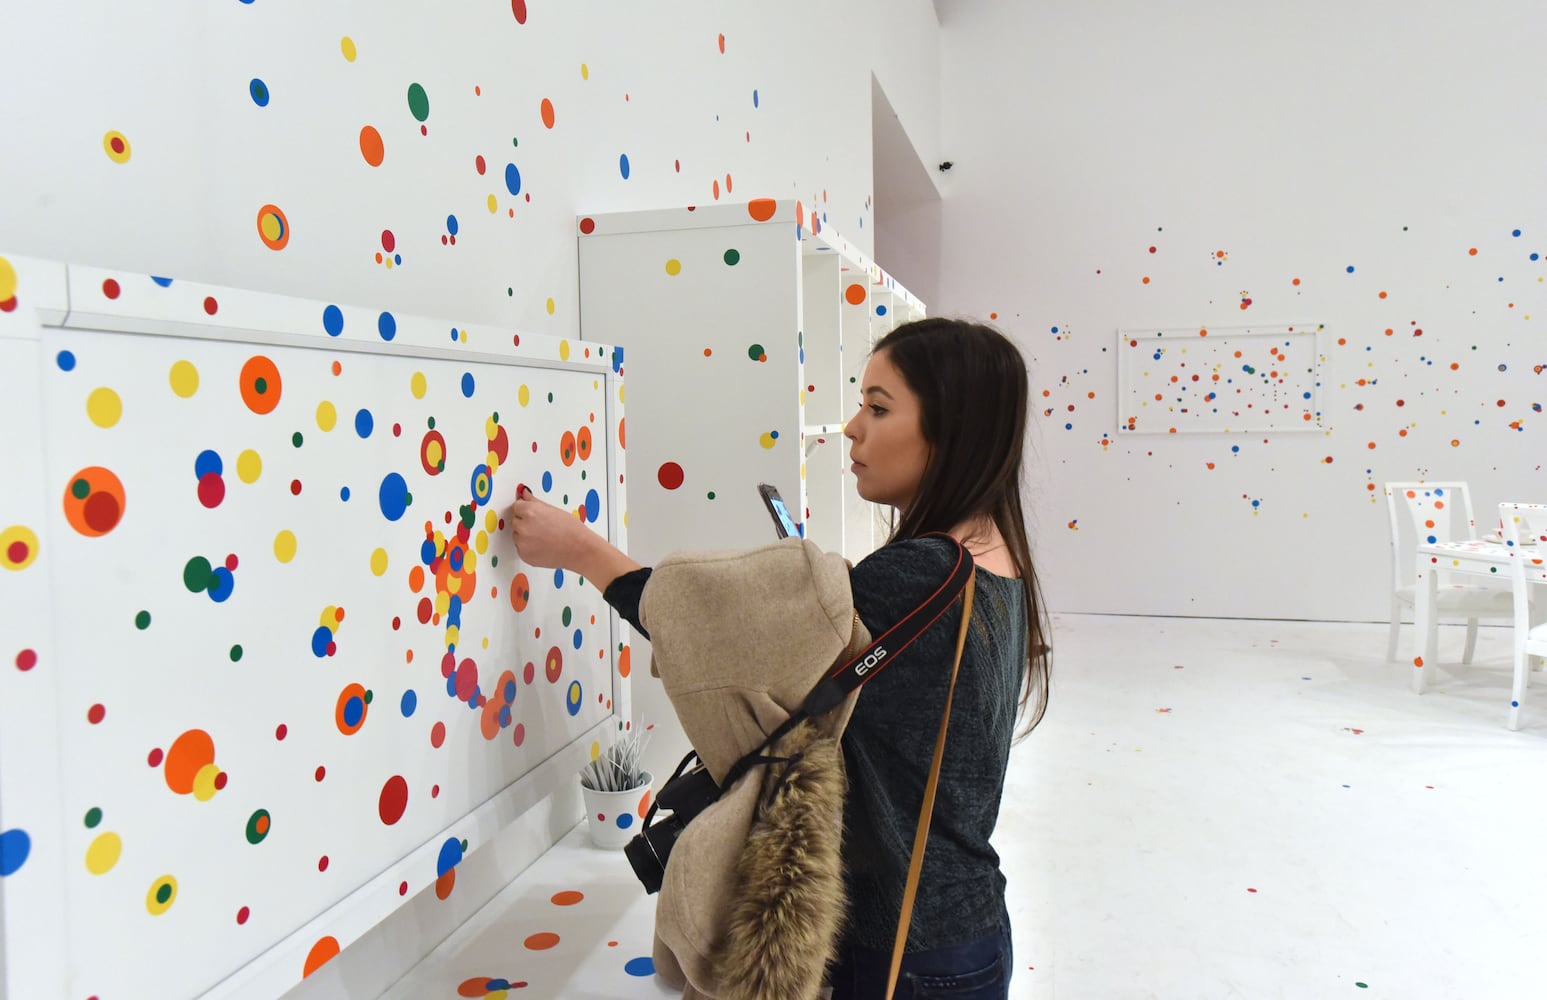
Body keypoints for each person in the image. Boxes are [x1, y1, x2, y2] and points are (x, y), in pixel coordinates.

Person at [510, 316, 1051, 1000]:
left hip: (902, 954)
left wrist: (583, 551)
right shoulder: (993, 560)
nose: (852, 428)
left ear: (952, 433)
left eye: (878, 408)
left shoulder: (922, 572)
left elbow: (715, 633)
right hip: (960, 929)